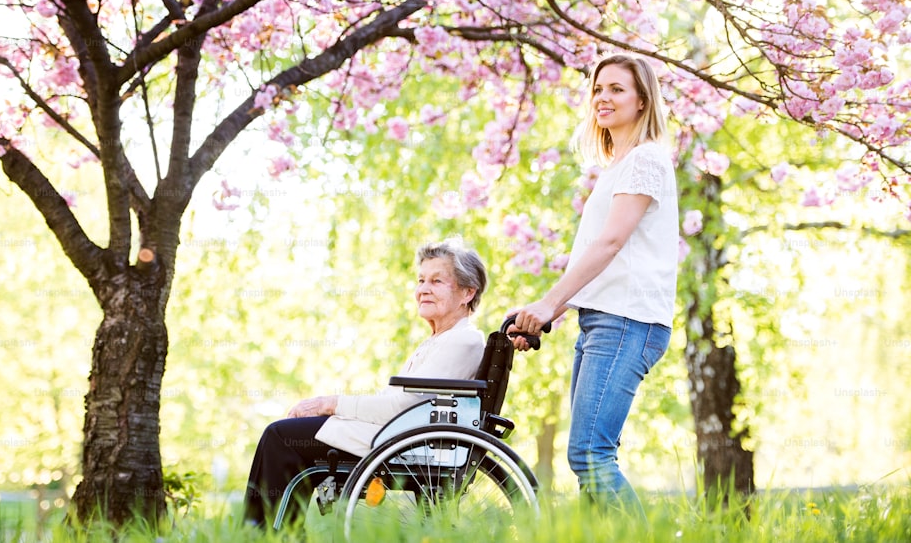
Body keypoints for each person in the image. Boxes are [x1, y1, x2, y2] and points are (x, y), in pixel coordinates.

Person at [509, 54, 678, 521]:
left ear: (642, 101)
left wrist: (548, 303)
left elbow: (610, 243)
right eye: (598, 89)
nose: (603, 98)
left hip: (628, 321)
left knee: (589, 454)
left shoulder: (645, 160)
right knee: (589, 463)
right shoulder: (620, 165)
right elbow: (604, 256)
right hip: (603, 319)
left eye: (617, 89)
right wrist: (553, 314)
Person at [243, 238, 488, 529]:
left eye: (437, 281)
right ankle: (278, 533)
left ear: (467, 292)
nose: (423, 289)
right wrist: (336, 409)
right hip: (400, 435)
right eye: (421, 280)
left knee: (281, 437)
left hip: (403, 441)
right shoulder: (440, 340)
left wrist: (333, 404)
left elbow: (403, 405)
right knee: (286, 436)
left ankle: (261, 534)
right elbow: (403, 403)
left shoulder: (463, 339)